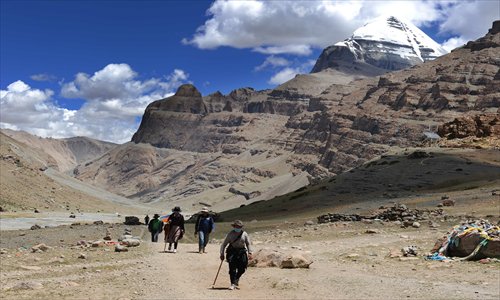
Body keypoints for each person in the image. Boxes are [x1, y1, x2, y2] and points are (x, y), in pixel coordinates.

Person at [220, 220, 252, 290]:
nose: (238, 228)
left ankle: (236, 278)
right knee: (232, 268)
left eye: (239, 227)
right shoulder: (230, 234)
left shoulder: (244, 234)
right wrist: (222, 254)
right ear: (234, 227)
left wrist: (250, 253)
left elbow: (248, 243)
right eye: (237, 226)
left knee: (242, 268)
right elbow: (224, 244)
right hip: (232, 252)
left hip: (242, 252)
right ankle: (232, 283)